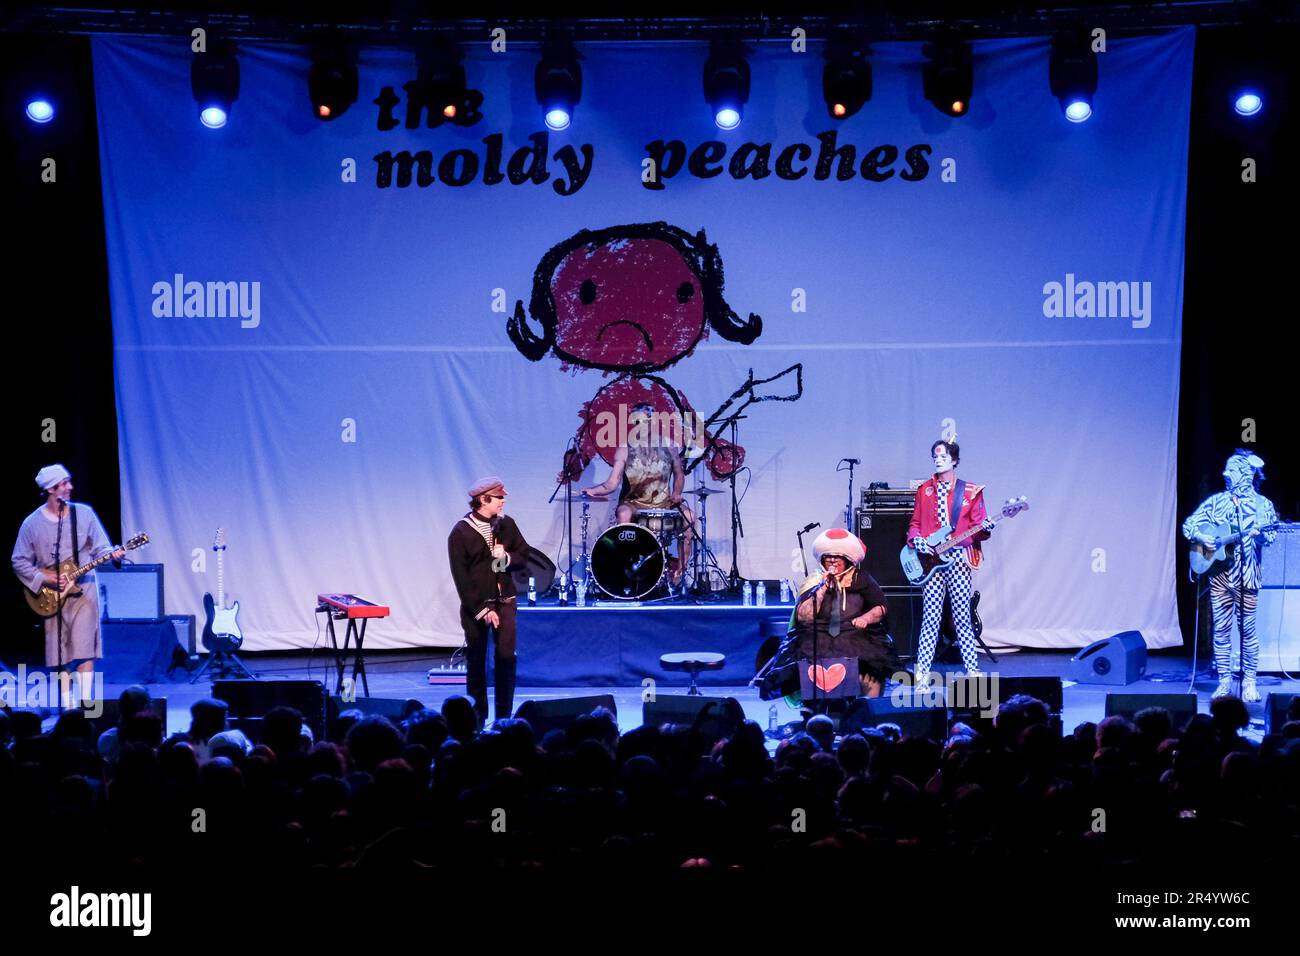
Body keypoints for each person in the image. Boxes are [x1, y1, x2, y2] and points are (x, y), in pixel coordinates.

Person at [11, 464, 124, 706]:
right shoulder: (31, 524)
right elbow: (18, 560)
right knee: (59, 652)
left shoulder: (84, 514)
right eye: (64, 484)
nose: (70, 487)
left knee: (85, 649)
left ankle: (85, 703)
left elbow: (101, 547)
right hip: (51, 595)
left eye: (69, 482)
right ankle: (67, 703)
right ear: (51, 489)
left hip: (85, 590)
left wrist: (113, 554)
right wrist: (46, 578)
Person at [753, 528, 900, 704]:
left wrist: (865, 619)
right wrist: (822, 587)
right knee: (804, 662)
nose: (831, 559)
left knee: (872, 668)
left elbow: (880, 607)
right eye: (828, 556)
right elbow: (803, 617)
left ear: (847, 559)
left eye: (837, 556)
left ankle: (865, 716)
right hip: (817, 637)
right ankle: (814, 715)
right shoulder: (814, 581)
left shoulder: (862, 579)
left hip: (855, 635)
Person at [1182, 450, 1279, 702]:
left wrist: (1258, 533)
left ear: (1247, 475)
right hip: (1221, 576)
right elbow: (1189, 525)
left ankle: (1249, 682)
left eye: (1232, 471)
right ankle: (1224, 681)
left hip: (1247, 577)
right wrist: (1203, 537)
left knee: (1248, 630)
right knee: (1221, 630)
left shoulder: (1263, 505)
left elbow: (1270, 536)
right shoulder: (1217, 503)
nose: (1225, 474)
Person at [906, 440, 996, 687]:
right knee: (930, 618)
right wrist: (917, 541)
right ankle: (922, 673)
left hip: (958, 560)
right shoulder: (924, 490)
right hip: (931, 562)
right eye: (935, 457)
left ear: (954, 460)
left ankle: (972, 671)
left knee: (961, 618)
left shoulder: (970, 491)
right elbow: (914, 525)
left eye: (943, 456)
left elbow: (979, 528)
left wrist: (985, 529)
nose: (938, 460)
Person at [579, 403, 697, 586]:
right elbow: (612, 482)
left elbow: (679, 474)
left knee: (690, 517)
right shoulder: (625, 448)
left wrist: (676, 492)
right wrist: (593, 491)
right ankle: (623, 568)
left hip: (664, 501)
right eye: (636, 422)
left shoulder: (669, 446)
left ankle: (679, 574)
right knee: (624, 513)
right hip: (634, 501)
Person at [447, 476, 530, 726]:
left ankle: (504, 718)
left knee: (506, 659)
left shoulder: (506, 525)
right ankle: (477, 718)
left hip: (505, 602)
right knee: (476, 661)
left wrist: (504, 556)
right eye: (499, 497)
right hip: (477, 607)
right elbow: (461, 578)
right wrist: (482, 610)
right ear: (484, 500)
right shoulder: (460, 532)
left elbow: (524, 556)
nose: (503, 502)